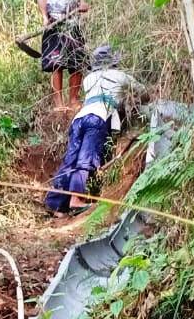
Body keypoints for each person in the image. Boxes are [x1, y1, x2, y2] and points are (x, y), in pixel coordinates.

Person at [45, 44, 145, 215]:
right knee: (86, 159)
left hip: (79, 119)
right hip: (98, 118)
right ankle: (76, 200)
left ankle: (55, 203)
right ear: (113, 61)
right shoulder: (121, 76)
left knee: (71, 159)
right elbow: (144, 93)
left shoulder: (88, 78)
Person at [35, 0, 88, 111]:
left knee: (77, 60)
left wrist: (82, 4)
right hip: (55, 20)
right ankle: (59, 104)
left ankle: (73, 99)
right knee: (56, 62)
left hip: (73, 21)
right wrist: (45, 16)